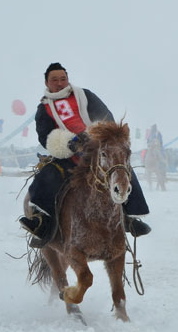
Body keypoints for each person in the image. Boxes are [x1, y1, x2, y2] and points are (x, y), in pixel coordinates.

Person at [19, 62, 151, 247]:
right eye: (54, 80)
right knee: (47, 176)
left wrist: (93, 135)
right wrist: (70, 143)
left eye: (63, 79)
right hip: (69, 156)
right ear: (47, 82)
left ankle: (130, 217)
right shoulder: (44, 108)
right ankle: (42, 223)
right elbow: (45, 136)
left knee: (121, 169)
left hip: (99, 151)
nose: (59, 83)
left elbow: (106, 116)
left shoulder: (84, 95)